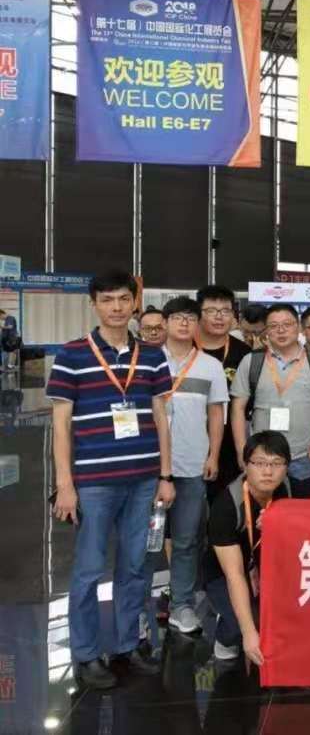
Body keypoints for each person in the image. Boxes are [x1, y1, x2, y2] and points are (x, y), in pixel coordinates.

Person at [46, 270, 174, 688]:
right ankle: (85, 654)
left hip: (143, 480)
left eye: (123, 299)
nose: (116, 307)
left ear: (134, 302)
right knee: (88, 570)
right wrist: (65, 485)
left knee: (135, 566)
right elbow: (61, 425)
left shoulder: (152, 356)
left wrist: (165, 475)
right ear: (94, 304)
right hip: (94, 482)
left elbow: (160, 417)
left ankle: (126, 645)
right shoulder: (72, 354)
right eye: (107, 299)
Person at [154, 297, 230, 635]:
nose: (184, 323)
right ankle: (136, 607)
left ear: (197, 324)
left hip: (191, 464)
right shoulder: (148, 360)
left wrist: (213, 455)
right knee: (145, 541)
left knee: (186, 540)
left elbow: (216, 414)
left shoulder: (210, 366)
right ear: (165, 322)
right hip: (149, 467)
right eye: (177, 317)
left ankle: (181, 605)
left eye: (190, 318)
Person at [205, 431, 291, 664]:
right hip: (224, 574)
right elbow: (234, 575)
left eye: (276, 463)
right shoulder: (227, 505)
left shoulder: (286, 490)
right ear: (245, 465)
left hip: (266, 568)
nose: (268, 471)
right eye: (260, 463)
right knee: (245, 626)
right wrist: (248, 632)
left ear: (286, 467)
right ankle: (224, 633)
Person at [230, 304, 310, 482]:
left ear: (298, 327)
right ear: (266, 330)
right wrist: (242, 449)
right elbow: (237, 408)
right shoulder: (251, 361)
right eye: (273, 326)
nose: (281, 330)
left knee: (303, 500)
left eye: (287, 324)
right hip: (261, 457)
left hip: (304, 456)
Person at [195, 285, 252, 498]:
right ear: (199, 314)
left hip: (230, 442)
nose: (219, 317)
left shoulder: (244, 353)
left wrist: (242, 449)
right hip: (190, 438)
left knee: (224, 502)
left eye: (226, 311)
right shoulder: (185, 347)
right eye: (211, 310)